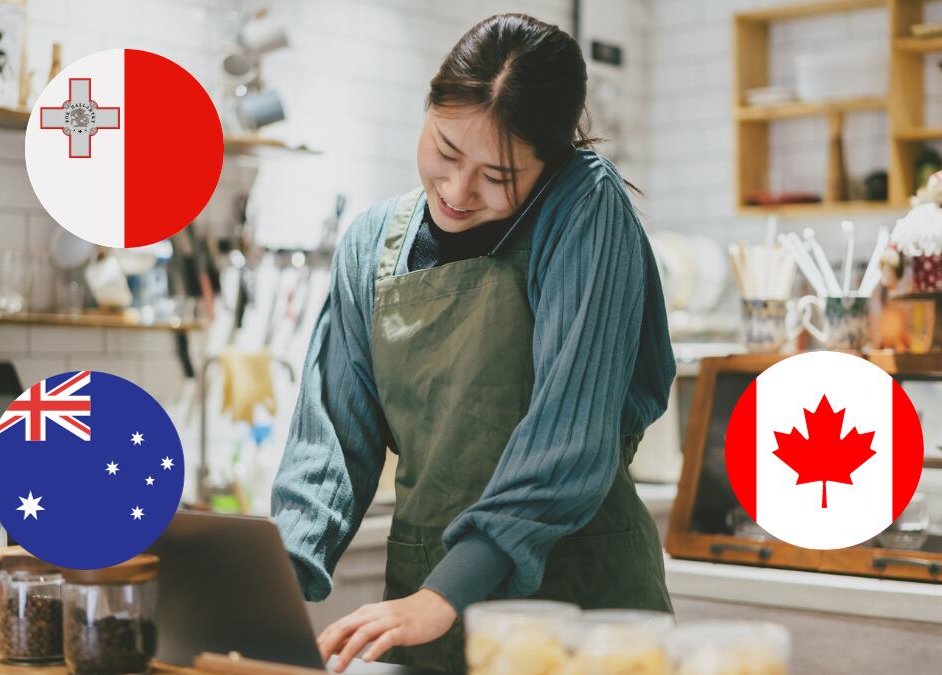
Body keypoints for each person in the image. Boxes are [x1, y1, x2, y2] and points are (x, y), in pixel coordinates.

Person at [271, 13, 675, 673]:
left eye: (500, 174)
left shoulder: (584, 206)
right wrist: (273, 580)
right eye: (447, 151)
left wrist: (447, 590)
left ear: (551, 160)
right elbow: (333, 444)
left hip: (579, 614)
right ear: (429, 106)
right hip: (419, 616)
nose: (458, 191)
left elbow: (566, 439)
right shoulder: (369, 242)